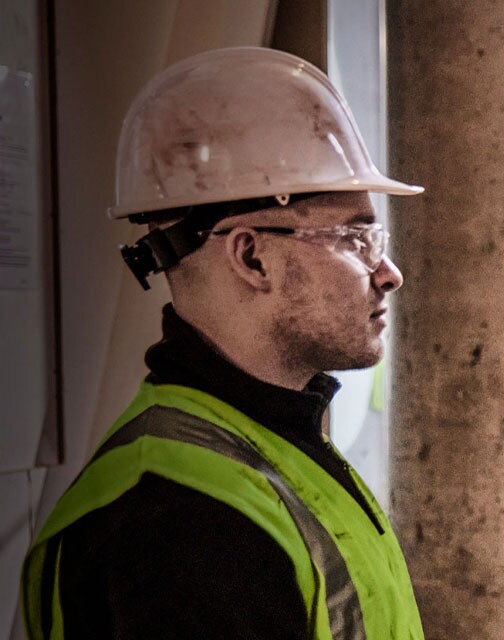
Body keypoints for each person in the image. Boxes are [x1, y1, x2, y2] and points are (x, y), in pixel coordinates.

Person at [21, 47, 425, 639]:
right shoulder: (173, 524)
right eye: (355, 238)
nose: (388, 271)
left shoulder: (277, 449)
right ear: (252, 256)